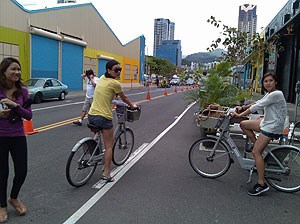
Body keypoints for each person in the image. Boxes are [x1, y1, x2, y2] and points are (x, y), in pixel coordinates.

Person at [231, 72, 287, 196]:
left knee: (256, 152)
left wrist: (239, 115)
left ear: (275, 82)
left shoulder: (277, 94)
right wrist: (243, 106)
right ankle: (256, 146)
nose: (268, 83)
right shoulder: (269, 94)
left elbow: (257, 107)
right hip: (267, 122)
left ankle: (262, 184)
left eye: (270, 80)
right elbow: (257, 102)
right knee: (244, 124)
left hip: (273, 126)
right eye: (265, 81)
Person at [88, 60, 137, 182]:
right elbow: (124, 98)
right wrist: (132, 106)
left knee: (97, 135)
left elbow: (104, 93)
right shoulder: (115, 83)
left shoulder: (103, 78)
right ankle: (106, 173)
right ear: (109, 70)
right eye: (116, 70)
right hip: (103, 117)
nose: (119, 72)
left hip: (91, 114)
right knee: (109, 146)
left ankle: (93, 151)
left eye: (120, 69)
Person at [0, 57, 32, 222]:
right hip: (0, 137)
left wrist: (15, 106)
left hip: (18, 136)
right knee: (2, 173)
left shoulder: (23, 92)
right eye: (13, 69)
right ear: (4, 72)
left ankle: (13, 197)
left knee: (21, 171)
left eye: (18, 69)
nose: (17, 72)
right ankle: (2, 207)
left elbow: (28, 115)